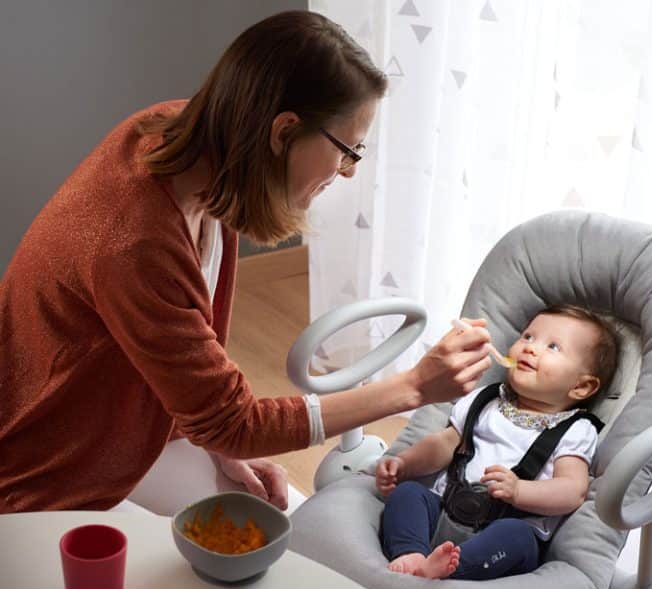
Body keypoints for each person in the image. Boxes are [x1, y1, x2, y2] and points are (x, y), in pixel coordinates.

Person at [0, 11, 494, 514]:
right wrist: (412, 387)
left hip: (132, 428)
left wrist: (215, 443)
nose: (346, 173)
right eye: (348, 150)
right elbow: (234, 422)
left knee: (293, 526)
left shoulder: (187, 142)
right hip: (49, 475)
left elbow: (179, 364)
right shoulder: (135, 241)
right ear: (282, 131)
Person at [375, 305, 620, 580]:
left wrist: (520, 491)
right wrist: (404, 463)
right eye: (528, 337)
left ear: (581, 387)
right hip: (445, 509)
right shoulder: (485, 400)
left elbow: (573, 490)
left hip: (506, 530)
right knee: (408, 494)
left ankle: (452, 570)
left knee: (515, 537)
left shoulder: (574, 430)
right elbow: (444, 443)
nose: (530, 348)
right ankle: (411, 554)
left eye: (552, 347)